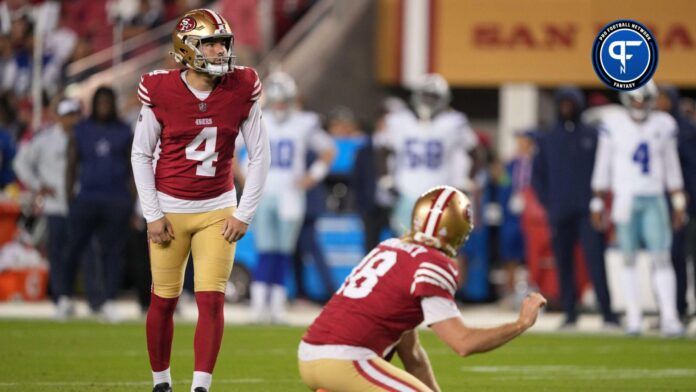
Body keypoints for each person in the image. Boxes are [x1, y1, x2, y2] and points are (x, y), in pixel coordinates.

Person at [130, 9, 270, 392]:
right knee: (163, 301)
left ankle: (201, 386)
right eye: (209, 43)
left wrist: (244, 213)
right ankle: (161, 383)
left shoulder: (241, 87)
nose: (219, 51)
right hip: (170, 209)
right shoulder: (160, 90)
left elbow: (260, 155)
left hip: (217, 207)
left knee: (211, 301)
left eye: (222, 43)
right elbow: (141, 154)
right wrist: (152, 213)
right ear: (187, 49)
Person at [298, 186, 547, 392]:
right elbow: (462, 343)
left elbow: (412, 355)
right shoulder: (434, 263)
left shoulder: (390, 246)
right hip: (347, 360)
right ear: (460, 232)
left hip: (309, 356)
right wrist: (520, 323)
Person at [591, 81, 686, 337]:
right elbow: (603, 164)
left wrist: (678, 202)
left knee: (661, 258)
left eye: (644, 99)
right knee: (628, 259)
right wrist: (598, 200)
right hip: (625, 198)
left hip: (654, 196)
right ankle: (633, 317)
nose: (639, 104)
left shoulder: (663, 125)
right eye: (635, 99)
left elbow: (671, 166)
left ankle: (669, 317)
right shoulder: (613, 124)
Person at [245, 71, 335, 323]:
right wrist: (244, 177)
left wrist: (312, 176)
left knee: (283, 252)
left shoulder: (304, 122)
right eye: (278, 101)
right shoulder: (258, 119)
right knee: (265, 250)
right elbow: (232, 150)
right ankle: (259, 307)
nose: (281, 106)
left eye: (285, 101)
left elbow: (329, 150)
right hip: (263, 193)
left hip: (291, 194)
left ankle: (276, 306)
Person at [532, 87, 618, 329]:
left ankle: (608, 312)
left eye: (571, 103)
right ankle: (570, 311)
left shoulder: (592, 134)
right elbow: (537, 175)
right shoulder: (548, 137)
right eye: (563, 103)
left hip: (588, 209)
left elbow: (604, 170)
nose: (566, 107)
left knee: (595, 261)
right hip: (560, 210)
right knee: (564, 262)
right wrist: (549, 202)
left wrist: (599, 202)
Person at [58, 86, 133, 321]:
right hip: (87, 198)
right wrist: (69, 197)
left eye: (107, 102)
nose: (104, 106)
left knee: (113, 253)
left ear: (113, 104)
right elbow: (72, 164)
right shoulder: (81, 129)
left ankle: (109, 300)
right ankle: (64, 298)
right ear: (93, 104)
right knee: (73, 249)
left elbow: (133, 167)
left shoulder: (124, 131)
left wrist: (131, 200)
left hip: (116, 199)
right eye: (100, 102)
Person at [376, 74, 477, 235]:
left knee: (438, 240)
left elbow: (475, 152)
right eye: (425, 95)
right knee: (404, 238)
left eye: (433, 97)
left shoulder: (454, 122)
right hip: (405, 189)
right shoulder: (399, 120)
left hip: (440, 191)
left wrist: (467, 181)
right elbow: (383, 150)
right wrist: (386, 179)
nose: (428, 101)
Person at [13, 98, 81, 318]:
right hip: (54, 205)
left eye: (74, 114)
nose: (71, 119)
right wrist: (37, 186)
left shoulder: (82, 138)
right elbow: (20, 163)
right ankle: (61, 296)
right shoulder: (44, 140)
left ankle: (68, 295)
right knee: (57, 252)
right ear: (57, 117)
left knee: (74, 252)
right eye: (67, 115)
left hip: (78, 204)